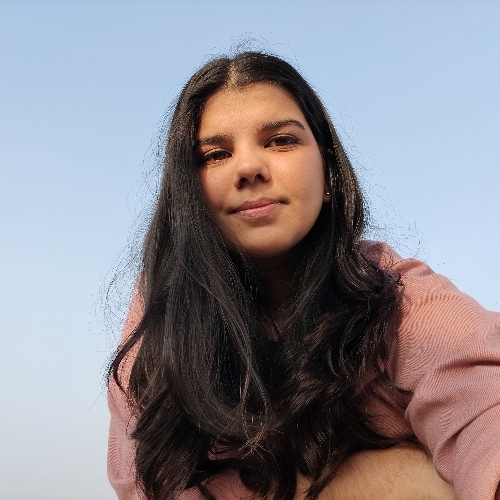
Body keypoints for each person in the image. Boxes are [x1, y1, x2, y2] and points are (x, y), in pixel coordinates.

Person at [107, 52, 500, 500]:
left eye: (280, 141)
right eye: (215, 155)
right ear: (187, 193)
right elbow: (141, 482)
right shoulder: (161, 317)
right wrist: (392, 478)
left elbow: (484, 403)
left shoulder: (397, 295)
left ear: (329, 173)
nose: (248, 168)